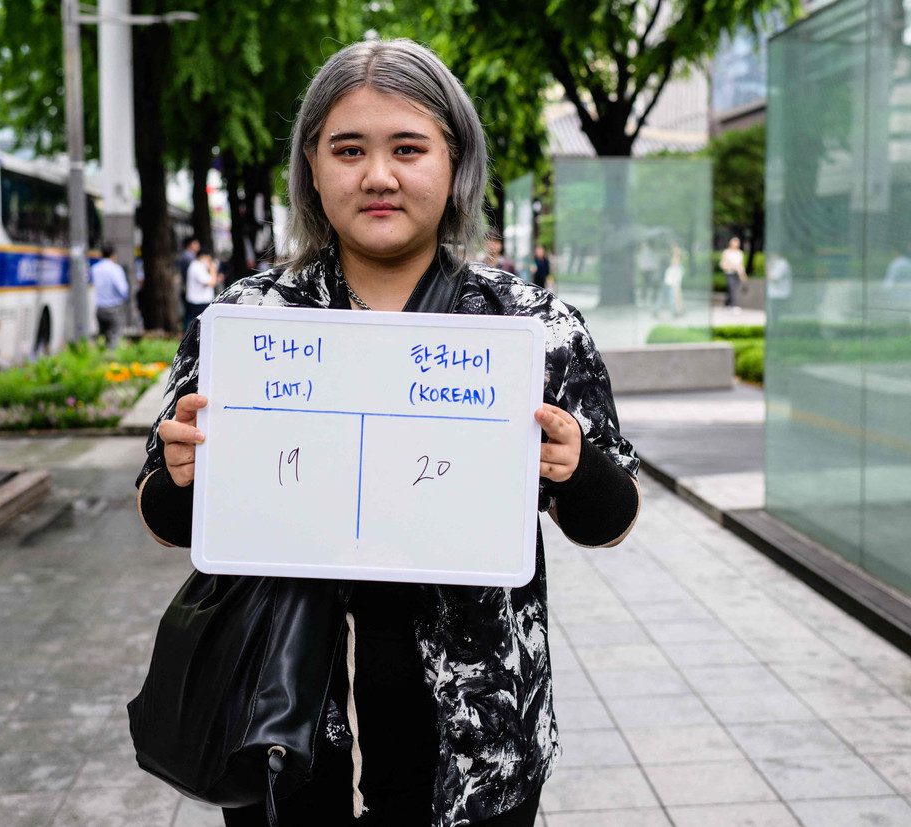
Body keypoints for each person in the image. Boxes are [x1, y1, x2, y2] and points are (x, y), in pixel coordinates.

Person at [135, 39, 639, 827]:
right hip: (276, 721)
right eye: (348, 149)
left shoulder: (529, 327)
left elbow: (610, 520)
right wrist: (180, 472)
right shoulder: (248, 320)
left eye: (408, 148)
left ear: (455, 161)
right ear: (310, 166)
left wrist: (576, 466)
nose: (378, 175)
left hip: (479, 739)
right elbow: (166, 517)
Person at [91, 243, 129, 349]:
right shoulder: (115, 269)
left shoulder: (95, 269)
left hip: (100, 309)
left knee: (102, 339)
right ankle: (110, 361)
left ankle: (101, 360)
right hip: (114, 309)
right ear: (113, 255)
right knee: (114, 339)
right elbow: (123, 290)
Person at [183, 249, 220, 327]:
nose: (209, 262)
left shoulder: (199, 266)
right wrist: (213, 270)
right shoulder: (197, 267)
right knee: (199, 325)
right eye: (208, 259)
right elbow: (211, 282)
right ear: (203, 257)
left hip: (200, 301)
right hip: (199, 302)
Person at [719, 236, 748, 311]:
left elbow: (741, 265)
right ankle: (734, 305)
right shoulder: (726, 252)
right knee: (732, 288)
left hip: (737, 273)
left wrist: (743, 274)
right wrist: (731, 266)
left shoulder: (740, 253)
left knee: (734, 288)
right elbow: (722, 263)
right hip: (729, 272)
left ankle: (727, 304)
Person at [177, 237, 200, 327]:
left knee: (188, 313)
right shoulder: (189, 257)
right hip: (189, 289)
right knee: (190, 314)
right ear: (190, 244)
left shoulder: (185, 255)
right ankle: (188, 334)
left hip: (186, 287)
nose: (198, 246)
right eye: (196, 243)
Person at [657, 244, 684, 318]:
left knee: (674, 297)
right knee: (672, 297)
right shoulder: (673, 262)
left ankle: (676, 311)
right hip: (670, 281)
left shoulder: (676, 263)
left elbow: (676, 274)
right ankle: (676, 311)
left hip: (672, 281)